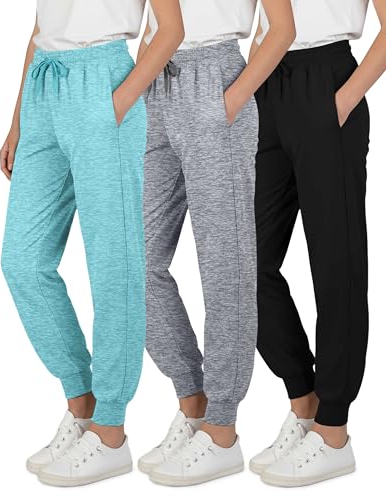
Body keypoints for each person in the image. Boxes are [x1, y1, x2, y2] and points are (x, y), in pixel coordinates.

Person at [0, 0, 184, 487]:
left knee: (113, 266)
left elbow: (171, 29)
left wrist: (115, 107)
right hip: (43, 84)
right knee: (22, 261)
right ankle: (82, 405)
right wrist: (19, 120)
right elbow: (41, 26)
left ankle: (111, 431)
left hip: (102, 82)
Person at [138, 0, 295, 486]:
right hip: (157, 82)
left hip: (216, 79)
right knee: (134, 260)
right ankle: (194, 403)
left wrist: (229, 103)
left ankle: (222, 427)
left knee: (225, 264)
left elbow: (282, 28)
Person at [250, 0, 386, 487]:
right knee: (245, 263)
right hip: (268, 80)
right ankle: (304, 402)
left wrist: (342, 101)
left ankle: (333, 431)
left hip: (328, 80)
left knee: (335, 266)